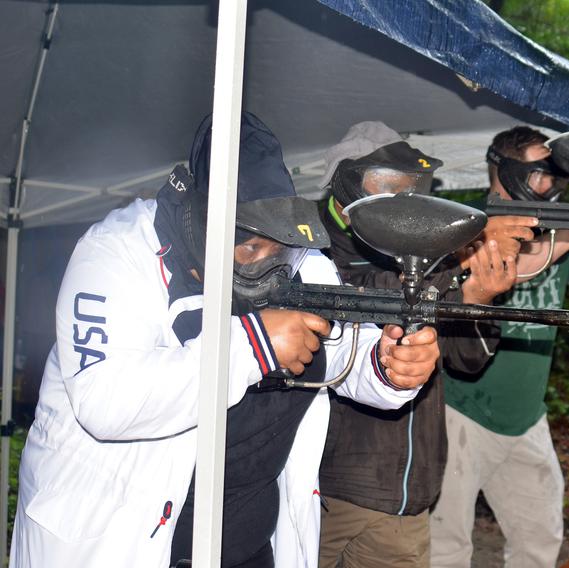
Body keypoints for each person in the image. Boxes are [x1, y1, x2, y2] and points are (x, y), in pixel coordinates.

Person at [10, 112, 439, 568]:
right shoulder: (115, 252)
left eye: (277, 248)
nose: (267, 263)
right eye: (248, 248)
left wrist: (389, 367)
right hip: (118, 541)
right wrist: (254, 344)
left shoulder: (301, 258)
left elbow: (342, 357)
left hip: (247, 542)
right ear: (203, 226)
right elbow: (105, 403)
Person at [429, 126, 569, 568]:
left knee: (539, 539)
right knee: (446, 548)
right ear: (507, 172)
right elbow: (516, 267)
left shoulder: (556, 231)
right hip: (461, 411)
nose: (550, 187)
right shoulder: (470, 225)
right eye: (540, 176)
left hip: (528, 416)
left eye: (554, 177)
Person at [315, 122, 534, 567]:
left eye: (411, 186)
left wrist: (478, 295)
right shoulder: (309, 246)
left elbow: (466, 359)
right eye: (387, 184)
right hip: (323, 491)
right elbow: (358, 294)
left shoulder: (422, 254)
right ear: (345, 181)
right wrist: (454, 275)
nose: (403, 196)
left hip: (407, 498)